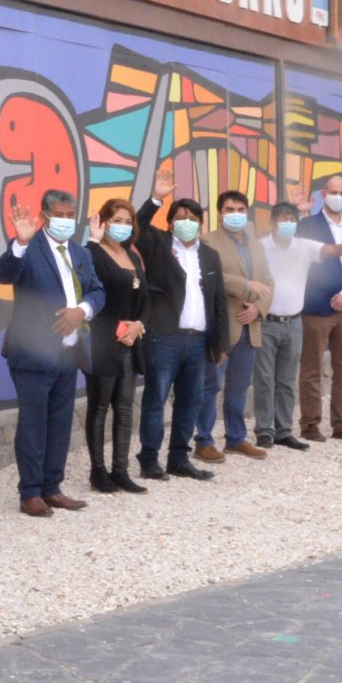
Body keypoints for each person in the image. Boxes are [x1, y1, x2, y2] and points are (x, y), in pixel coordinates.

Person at [0, 188, 106, 515]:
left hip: (69, 354)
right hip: (32, 353)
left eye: (71, 215)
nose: (66, 221)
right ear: (44, 216)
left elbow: (98, 291)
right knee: (33, 424)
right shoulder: (30, 248)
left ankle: (52, 486)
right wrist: (20, 244)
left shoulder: (80, 253)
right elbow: (2, 275)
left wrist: (81, 311)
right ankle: (30, 492)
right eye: (60, 215)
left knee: (59, 422)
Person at [135, 196, 229, 481]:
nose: (186, 222)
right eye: (180, 217)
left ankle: (179, 458)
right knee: (156, 400)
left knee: (190, 402)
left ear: (201, 223)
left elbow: (218, 300)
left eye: (192, 218)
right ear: (170, 222)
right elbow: (138, 226)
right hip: (164, 338)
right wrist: (155, 199)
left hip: (198, 341)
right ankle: (149, 459)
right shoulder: (159, 246)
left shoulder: (210, 255)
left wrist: (221, 342)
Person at [81, 198, 148, 493]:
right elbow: (91, 281)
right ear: (104, 221)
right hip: (102, 340)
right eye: (116, 220)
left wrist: (139, 325)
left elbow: (145, 299)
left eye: (127, 221)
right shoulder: (94, 252)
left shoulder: (132, 255)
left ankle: (120, 469)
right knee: (99, 406)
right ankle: (98, 472)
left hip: (130, 340)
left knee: (124, 407)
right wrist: (94, 243)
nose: (122, 226)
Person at [200, 190, 272, 460]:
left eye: (240, 209)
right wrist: (245, 286)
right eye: (229, 209)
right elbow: (212, 276)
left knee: (239, 387)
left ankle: (236, 437)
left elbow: (269, 282)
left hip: (249, 325)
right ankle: (204, 440)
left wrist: (258, 308)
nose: (235, 214)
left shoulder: (256, 244)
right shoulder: (208, 241)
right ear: (220, 213)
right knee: (212, 385)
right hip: (222, 326)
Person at [296, 185, 342, 440]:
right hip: (316, 307)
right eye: (333, 191)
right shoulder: (309, 224)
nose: (337, 196)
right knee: (312, 367)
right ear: (324, 193)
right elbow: (299, 253)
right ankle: (310, 423)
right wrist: (300, 215)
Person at [254, 211, 315, 450]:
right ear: (272, 223)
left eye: (292, 220)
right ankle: (264, 430)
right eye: (283, 219)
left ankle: (284, 430)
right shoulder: (260, 247)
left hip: (294, 323)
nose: (287, 224)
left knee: (287, 380)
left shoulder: (301, 248)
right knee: (265, 379)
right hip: (266, 322)